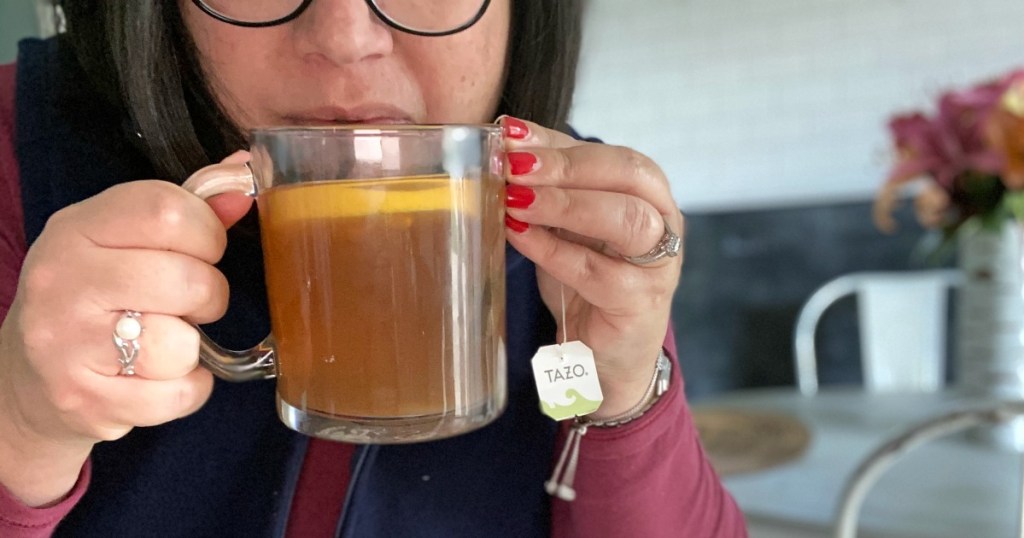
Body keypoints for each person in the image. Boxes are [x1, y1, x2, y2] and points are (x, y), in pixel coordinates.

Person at [0, 1, 746, 536]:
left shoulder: (564, 218)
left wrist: (616, 396)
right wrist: (24, 430)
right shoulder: (21, 152)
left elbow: (579, 423)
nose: (346, 37)